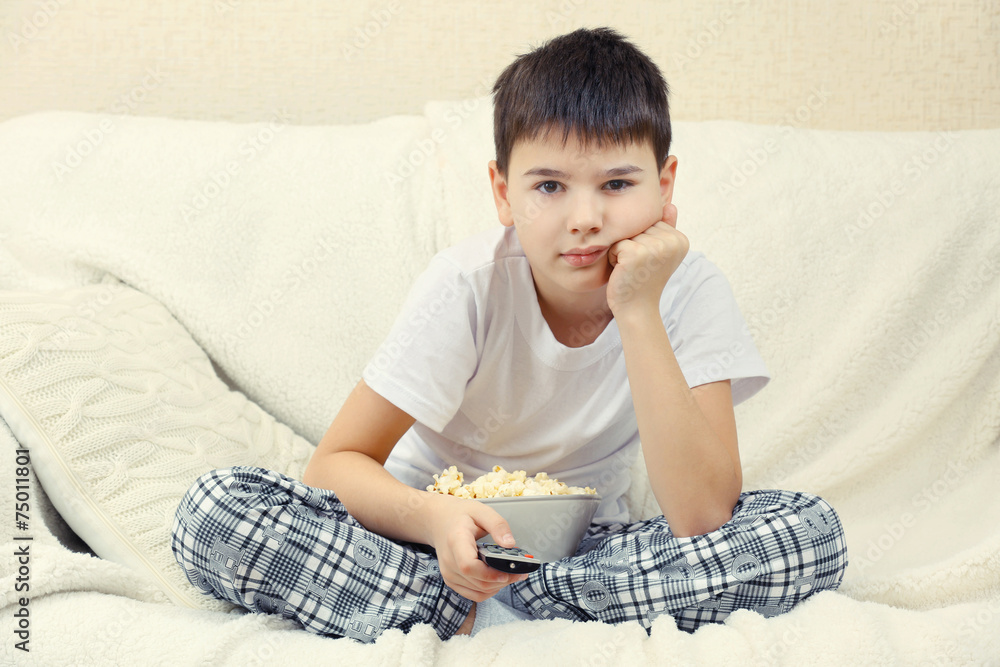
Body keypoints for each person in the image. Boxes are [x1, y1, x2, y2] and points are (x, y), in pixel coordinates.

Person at [171, 27, 848, 643]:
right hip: (422, 540)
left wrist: (638, 310)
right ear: (502, 193)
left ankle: (514, 605)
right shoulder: (469, 285)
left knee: (808, 536)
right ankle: (472, 600)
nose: (586, 217)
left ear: (665, 186)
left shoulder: (690, 289)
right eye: (549, 186)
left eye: (617, 183)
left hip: (592, 550)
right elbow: (335, 465)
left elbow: (702, 516)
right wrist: (437, 522)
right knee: (216, 511)